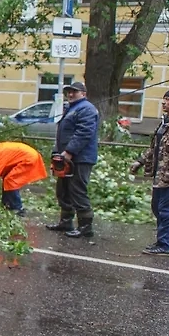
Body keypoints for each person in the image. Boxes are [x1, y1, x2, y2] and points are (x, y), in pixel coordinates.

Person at [129, 88, 169, 256]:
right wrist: (140, 161)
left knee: (167, 211)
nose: (163, 102)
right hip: (160, 175)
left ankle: (166, 245)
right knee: (157, 208)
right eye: (163, 99)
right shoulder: (165, 122)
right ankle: (161, 241)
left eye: (168, 99)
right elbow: (154, 148)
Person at [45, 81, 99, 238]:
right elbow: (62, 134)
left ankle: (85, 227)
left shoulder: (86, 109)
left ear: (83, 94)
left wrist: (69, 152)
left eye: (74, 92)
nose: (70, 94)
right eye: (68, 92)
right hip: (65, 157)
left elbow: (84, 133)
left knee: (77, 190)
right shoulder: (71, 109)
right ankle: (66, 222)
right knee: (63, 191)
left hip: (80, 158)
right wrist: (56, 154)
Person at [0, 142, 48, 215]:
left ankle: (17, 208)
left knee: (11, 181)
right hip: (28, 155)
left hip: (28, 158)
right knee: (7, 178)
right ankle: (6, 204)